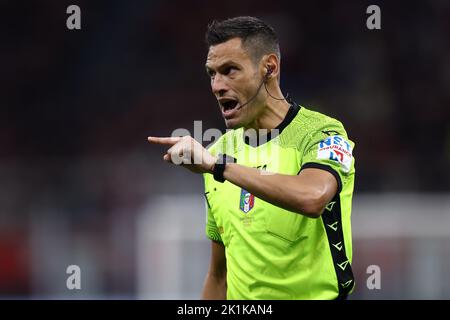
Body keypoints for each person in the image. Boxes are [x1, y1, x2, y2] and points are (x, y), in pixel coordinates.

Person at [148, 16, 355, 300]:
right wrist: (216, 164)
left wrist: (218, 166)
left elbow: (312, 197)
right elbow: (219, 275)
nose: (217, 86)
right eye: (212, 73)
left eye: (230, 70)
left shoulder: (322, 133)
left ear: (269, 68)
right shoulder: (217, 154)